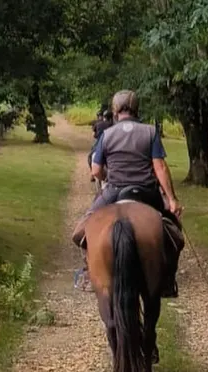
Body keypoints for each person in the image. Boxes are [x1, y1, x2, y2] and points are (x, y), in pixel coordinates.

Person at [72, 90, 184, 298]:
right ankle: (167, 279)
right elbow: (159, 167)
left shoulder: (106, 135)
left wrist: (108, 175)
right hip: (147, 192)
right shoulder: (150, 132)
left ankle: (89, 272)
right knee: (174, 234)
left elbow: (96, 171)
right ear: (137, 109)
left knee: (80, 232)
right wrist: (171, 199)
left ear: (115, 111)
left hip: (114, 191)